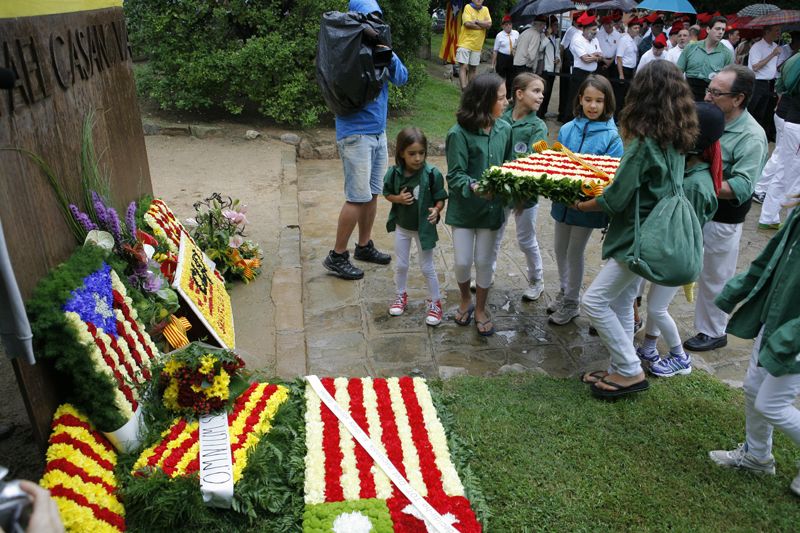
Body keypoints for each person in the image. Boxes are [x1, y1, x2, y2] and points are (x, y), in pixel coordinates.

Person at [577, 60, 698, 398]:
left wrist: (583, 203)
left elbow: (615, 198)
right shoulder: (676, 137)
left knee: (596, 301)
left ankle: (629, 370)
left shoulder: (644, 143)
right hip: (658, 232)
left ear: (641, 93)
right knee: (623, 300)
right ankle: (618, 366)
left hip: (637, 236)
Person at [708, 194, 800, 498]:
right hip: (775, 323)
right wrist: (737, 290)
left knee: (771, 403)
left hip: (793, 335)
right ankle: (757, 457)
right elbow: (770, 260)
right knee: (752, 389)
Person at [683, 64, 768, 352]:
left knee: (715, 274)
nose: (707, 97)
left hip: (722, 217)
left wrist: (696, 180)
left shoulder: (752, 136)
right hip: (690, 207)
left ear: (738, 98)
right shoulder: (704, 116)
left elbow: (742, 188)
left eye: (716, 93)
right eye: (708, 89)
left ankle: (713, 330)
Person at [638, 102, 725, 377]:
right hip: (670, 248)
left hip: (678, 251)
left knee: (657, 306)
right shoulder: (688, 173)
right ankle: (649, 347)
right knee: (656, 302)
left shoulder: (696, 184)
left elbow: (690, 227)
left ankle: (679, 356)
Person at [323, 0, 408, 281]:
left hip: (377, 132)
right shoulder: (345, 50)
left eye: (377, 18)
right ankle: (337, 256)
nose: (374, 22)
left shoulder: (379, 47)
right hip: (355, 134)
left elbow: (402, 78)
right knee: (356, 197)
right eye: (369, 18)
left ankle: (363, 246)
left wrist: (386, 50)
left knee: (372, 193)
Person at [548, 75, 623, 326]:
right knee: (559, 248)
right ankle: (564, 290)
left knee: (574, 251)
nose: (593, 106)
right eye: (588, 99)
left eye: (599, 101)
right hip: (562, 203)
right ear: (579, 99)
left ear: (607, 102)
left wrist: (582, 194)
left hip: (587, 207)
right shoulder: (568, 128)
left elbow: (608, 177)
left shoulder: (612, 137)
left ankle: (571, 302)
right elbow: (557, 161)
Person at [445, 73, 512, 336]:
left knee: (485, 261)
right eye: (501, 97)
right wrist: (474, 186)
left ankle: (481, 308)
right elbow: (455, 174)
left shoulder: (504, 129)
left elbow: (509, 165)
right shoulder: (458, 134)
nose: (506, 102)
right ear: (484, 101)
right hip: (464, 210)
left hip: (492, 211)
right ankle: (465, 299)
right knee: (462, 262)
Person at [382, 127, 448, 326]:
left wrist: (437, 210)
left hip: (423, 229)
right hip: (403, 227)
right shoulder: (394, 174)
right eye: (412, 154)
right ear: (401, 152)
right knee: (401, 264)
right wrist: (398, 199)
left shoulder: (432, 174)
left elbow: (440, 199)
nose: (418, 158)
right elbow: (386, 194)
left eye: (421, 153)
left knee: (427, 267)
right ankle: (400, 295)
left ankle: (435, 303)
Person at [494, 73, 548, 301]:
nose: (541, 96)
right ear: (519, 94)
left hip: (525, 195)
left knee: (526, 239)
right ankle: (487, 273)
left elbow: (536, 159)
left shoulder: (538, 126)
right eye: (536, 91)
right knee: (494, 233)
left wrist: (522, 192)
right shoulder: (501, 117)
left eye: (542, 92)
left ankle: (537, 279)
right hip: (500, 189)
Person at [757, 50, 800, 230]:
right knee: (794, 176)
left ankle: (768, 217)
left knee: (784, 169)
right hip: (796, 123)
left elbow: (781, 85)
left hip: (791, 120)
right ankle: (790, 224)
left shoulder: (794, 59)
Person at [677, 16, 734, 101]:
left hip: (710, 96)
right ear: (708, 29)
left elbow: (727, 81)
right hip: (687, 93)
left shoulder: (727, 54)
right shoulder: (691, 47)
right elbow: (678, 72)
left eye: (723, 30)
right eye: (717, 29)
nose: (720, 32)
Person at [567, 13, 603, 122]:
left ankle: (584, 118)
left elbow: (601, 56)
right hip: (580, 73)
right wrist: (595, 56)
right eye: (593, 29)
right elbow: (585, 59)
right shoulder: (578, 40)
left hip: (591, 73)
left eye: (596, 29)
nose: (595, 31)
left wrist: (594, 56)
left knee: (588, 97)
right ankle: (569, 120)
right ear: (585, 29)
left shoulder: (595, 40)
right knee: (575, 98)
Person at [747, 25, 782, 134]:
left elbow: (774, 67)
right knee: (752, 110)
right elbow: (755, 67)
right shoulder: (757, 47)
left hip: (770, 84)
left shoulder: (775, 46)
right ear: (767, 32)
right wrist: (772, 54)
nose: (779, 33)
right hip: (757, 83)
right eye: (776, 30)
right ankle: (747, 134)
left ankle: (758, 135)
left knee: (764, 113)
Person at [456, 0, 492, 90]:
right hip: (465, 43)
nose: (478, 0)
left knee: (473, 68)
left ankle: (470, 90)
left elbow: (489, 24)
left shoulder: (485, 9)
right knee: (463, 66)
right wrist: (482, 25)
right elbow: (467, 24)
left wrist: (476, 21)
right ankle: (464, 88)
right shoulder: (468, 7)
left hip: (477, 45)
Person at [558, 12, 583, 123]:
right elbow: (563, 46)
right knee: (566, 89)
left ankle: (566, 113)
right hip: (569, 62)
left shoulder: (580, 31)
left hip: (574, 63)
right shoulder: (572, 30)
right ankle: (563, 113)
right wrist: (562, 61)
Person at [615, 18, 641, 117]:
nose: (637, 30)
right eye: (635, 28)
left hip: (630, 70)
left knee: (627, 94)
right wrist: (621, 74)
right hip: (623, 69)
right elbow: (619, 58)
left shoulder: (633, 40)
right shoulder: (624, 40)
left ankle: (623, 116)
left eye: (638, 28)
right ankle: (616, 117)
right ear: (629, 29)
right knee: (620, 95)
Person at [537, 16, 561, 119]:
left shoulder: (556, 38)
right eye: (555, 25)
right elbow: (541, 48)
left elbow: (557, 52)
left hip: (553, 69)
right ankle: (540, 113)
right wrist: (547, 35)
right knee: (544, 92)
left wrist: (558, 58)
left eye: (557, 25)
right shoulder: (543, 36)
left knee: (549, 92)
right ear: (550, 26)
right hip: (545, 68)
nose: (557, 27)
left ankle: (544, 112)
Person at [492, 15, 519, 97]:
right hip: (502, 57)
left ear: (512, 25)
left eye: (509, 24)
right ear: (502, 26)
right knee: (501, 77)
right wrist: (492, 64)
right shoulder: (499, 35)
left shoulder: (516, 33)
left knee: (511, 78)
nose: (508, 26)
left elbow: (519, 45)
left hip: (513, 58)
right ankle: (499, 94)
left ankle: (508, 96)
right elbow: (495, 50)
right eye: (506, 25)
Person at [512, 16, 545, 81]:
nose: (544, 28)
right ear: (540, 25)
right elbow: (531, 54)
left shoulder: (525, 31)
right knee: (525, 86)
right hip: (525, 66)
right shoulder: (536, 34)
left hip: (517, 63)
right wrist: (531, 68)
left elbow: (514, 47)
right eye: (544, 26)